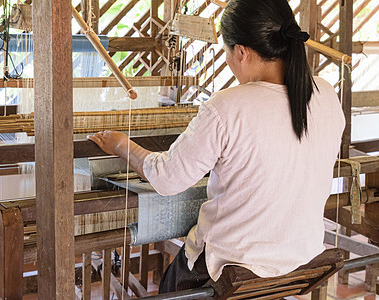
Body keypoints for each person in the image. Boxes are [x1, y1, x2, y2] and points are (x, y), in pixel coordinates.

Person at [88, 0, 345, 293]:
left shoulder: (226, 107)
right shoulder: (326, 94)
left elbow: (168, 178)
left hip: (229, 268)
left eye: (225, 52)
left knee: (173, 283)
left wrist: (123, 145)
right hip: (299, 260)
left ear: (241, 52)